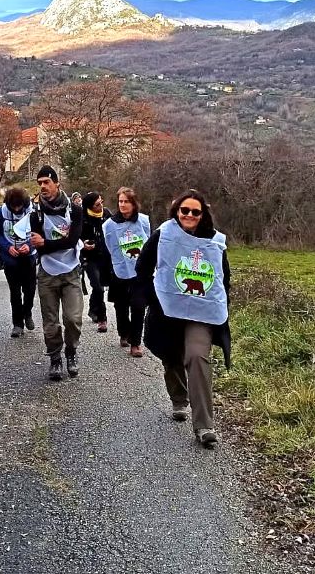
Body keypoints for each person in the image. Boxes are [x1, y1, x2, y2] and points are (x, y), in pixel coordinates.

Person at [135, 190, 231, 448]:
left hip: (201, 313)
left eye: (195, 212)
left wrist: (220, 307)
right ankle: (179, 398)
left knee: (197, 356)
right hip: (168, 310)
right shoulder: (163, 235)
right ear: (176, 211)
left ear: (203, 214)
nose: (189, 215)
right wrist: (155, 299)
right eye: (184, 210)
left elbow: (223, 279)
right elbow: (142, 268)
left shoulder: (214, 242)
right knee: (172, 355)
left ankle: (204, 425)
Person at [16, 165, 84, 381]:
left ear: (57, 184)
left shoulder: (75, 210)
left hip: (71, 272)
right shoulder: (36, 213)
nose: (43, 186)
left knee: (73, 319)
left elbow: (72, 241)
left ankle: (71, 352)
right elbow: (38, 247)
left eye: (47, 182)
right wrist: (48, 244)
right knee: (51, 323)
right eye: (40, 183)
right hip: (47, 273)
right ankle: (55, 358)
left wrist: (47, 242)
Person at [100, 187, 150, 357]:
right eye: (120, 201)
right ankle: (124, 333)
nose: (122, 204)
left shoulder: (143, 221)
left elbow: (148, 245)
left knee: (138, 306)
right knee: (121, 306)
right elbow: (107, 249)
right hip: (119, 270)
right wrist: (106, 273)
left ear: (134, 203)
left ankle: (135, 343)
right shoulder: (109, 225)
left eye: (126, 201)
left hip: (140, 272)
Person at [0, 187, 37, 338]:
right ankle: (17, 324)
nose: (16, 209)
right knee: (15, 292)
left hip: (29, 257)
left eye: (19, 206)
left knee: (30, 290)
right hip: (10, 258)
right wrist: (7, 247)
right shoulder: (1, 213)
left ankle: (27, 312)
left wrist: (29, 246)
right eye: (13, 207)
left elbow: (39, 231)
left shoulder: (33, 211)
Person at [80, 191, 112, 333]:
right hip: (89, 258)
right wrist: (83, 244)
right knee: (98, 287)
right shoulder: (83, 218)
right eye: (97, 205)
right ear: (90, 207)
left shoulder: (107, 214)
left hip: (104, 255)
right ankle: (102, 318)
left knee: (100, 286)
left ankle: (93, 308)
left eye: (101, 202)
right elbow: (76, 236)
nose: (101, 206)